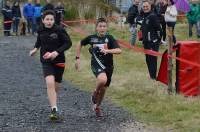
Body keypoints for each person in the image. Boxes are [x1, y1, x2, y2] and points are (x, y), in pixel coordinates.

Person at [29, 10, 72, 120]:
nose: (49, 21)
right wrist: (35, 49)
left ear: (54, 20)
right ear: (43, 20)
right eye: (47, 19)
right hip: (46, 60)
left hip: (59, 60)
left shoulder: (59, 30)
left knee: (55, 87)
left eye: (51, 19)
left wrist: (56, 52)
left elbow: (68, 43)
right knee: (49, 83)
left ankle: (53, 103)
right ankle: (54, 109)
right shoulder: (40, 30)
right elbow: (39, 41)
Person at [75, 18, 122, 117]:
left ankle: (97, 106)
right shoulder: (92, 38)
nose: (102, 28)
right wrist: (77, 58)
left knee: (104, 90)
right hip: (96, 64)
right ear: (96, 28)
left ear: (107, 28)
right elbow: (80, 43)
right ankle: (95, 92)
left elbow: (119, 50)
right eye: (100, 26)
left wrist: (108, 51)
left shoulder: (110, 38)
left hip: (109, 66)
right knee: (102, 80)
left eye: (104, 26)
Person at [141, 1, 162, 80]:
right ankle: (151, 76)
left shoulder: (153, 16)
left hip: (152, 43)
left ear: (150, 7)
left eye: (147, 6)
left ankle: (153, 77)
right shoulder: (144, 16)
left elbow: (159, 30)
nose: (145, 8)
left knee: (152, 60)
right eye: (144, 7)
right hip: (146, 42)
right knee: (148, 60)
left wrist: (157, 40)